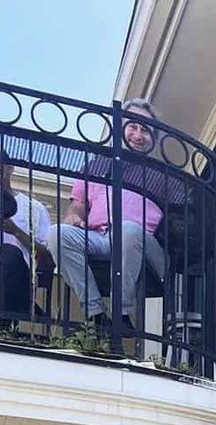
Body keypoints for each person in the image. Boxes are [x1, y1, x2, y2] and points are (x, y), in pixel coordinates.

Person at [50, 97, 165, 327]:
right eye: (132, 126)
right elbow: (78, 205)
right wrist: (73, 217)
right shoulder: (97, 166)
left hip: (144, 244)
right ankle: (96, 315)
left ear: (154, 138)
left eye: (146, 130)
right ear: (120, 127)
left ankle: (121, 314)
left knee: (128, 230)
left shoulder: (162, 174)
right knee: (57, 234)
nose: (138, 134)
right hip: (100, 237)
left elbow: (181, 218)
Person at [0, 156, 51, 322]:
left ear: (10, 169)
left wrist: (15, 231)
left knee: (8, 252)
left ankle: (4, 328)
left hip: (17, 279)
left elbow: (47, 258)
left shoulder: (33, 208)